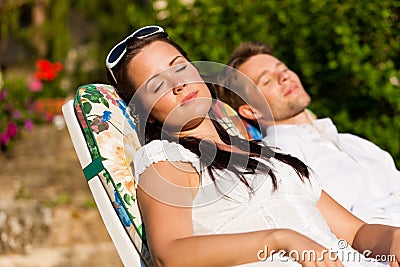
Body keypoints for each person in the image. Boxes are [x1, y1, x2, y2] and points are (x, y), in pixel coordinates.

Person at [105, 26, 400, 267]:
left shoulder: (271, 157)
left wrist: (392, 239)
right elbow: (170, 254)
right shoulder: (168, 160)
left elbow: (356, 232)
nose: (178, 84)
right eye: (157, 85)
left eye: (179, 67)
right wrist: (279, 239)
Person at [218, 41, 400, 226]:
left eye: (284, 69)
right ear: (252, 111)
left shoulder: (351, 142)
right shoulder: (278, 157)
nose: (284, 77)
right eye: (267, 80)